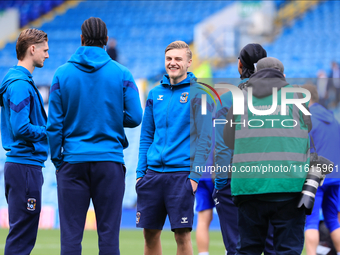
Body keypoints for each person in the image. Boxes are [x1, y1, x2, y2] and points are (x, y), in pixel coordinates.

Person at [47, 17, 142, 255]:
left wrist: (59, 161)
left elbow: (54, 125)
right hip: (109, 162)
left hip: (72, 162)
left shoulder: (62, 73)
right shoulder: (122, 73)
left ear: (81, 39)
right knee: (109, 238)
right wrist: (108, 115)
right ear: (106, 41)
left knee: (70, 239)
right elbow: (135, 117)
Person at [224, 57, 310, 255]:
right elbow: (306, 134)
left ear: (255, 74)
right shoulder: (296, 97)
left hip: (249, 185)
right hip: (289, 186)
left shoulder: (240, 97)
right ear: (283, 76)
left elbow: (229, 140)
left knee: (248, 249)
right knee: (288, 249)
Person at [136, 41, 213, 255]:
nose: (173, 63)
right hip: (152, 175)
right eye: (169, 59)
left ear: (189, 62)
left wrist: (195, 176)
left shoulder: (202, 94)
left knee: (182, 235)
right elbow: (146, 136)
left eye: (178, 59)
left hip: (181, 175)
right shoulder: (153, 94)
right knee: (150, 234)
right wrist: (140, 173)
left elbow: (205, 138)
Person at [213, 43, 275, 255]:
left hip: (235, 181)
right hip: (270, 179)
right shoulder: (279, 96)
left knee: (237, 247)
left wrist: (220, 184)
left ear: (239, 65)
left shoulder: (229, 97)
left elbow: (223, 145)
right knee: (271, 246)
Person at [0, 28, 49, 254]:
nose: (47, 55)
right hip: (24, 166)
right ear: (32, 49)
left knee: (22, 233)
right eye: (44, 50)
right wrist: (50, 132)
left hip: (23, 166)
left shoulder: (20, 81)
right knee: (22, 237)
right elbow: (21, 128)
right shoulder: (20, 84)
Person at [302, 84, 340, 255]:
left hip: (315, 176)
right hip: (336, 175)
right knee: (333, 220)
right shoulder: (333, 118)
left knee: (310, 222)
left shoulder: (306, 119)